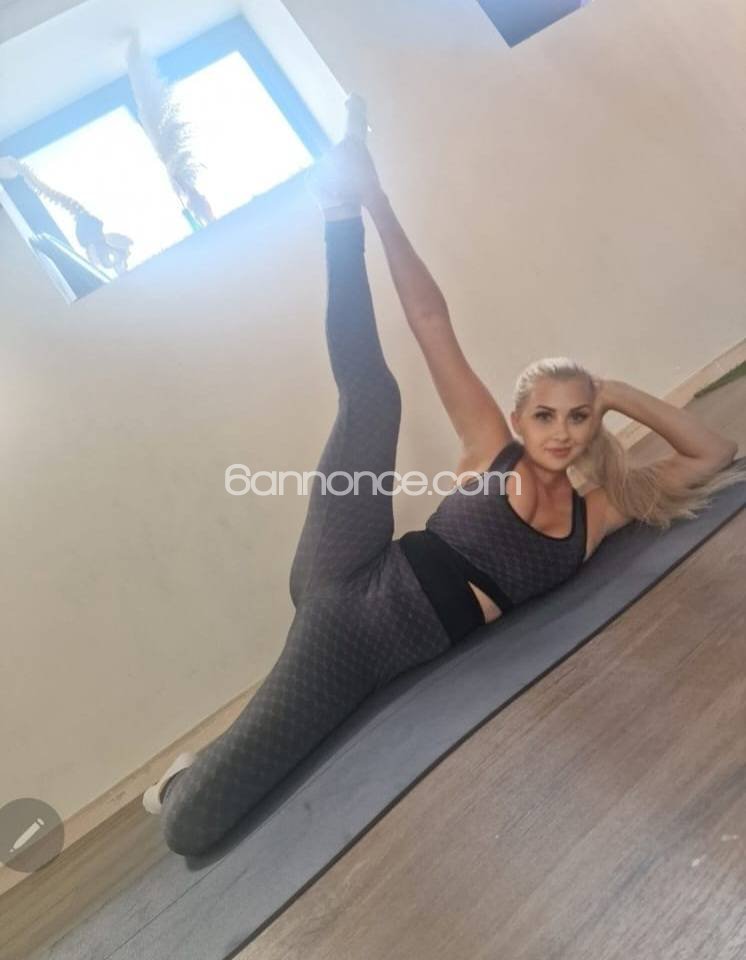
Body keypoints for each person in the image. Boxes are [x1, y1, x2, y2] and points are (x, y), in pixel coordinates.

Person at [142, 97, 744, 857]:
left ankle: (200, 763)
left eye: (579, 415)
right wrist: (376, 202)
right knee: (375, 396)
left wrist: (620, 391)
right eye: (546, 415)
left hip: (367, 651)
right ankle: (337, 209)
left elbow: (712, 454)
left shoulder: (594, 518)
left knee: (195, 819)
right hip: (346, 595)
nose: (561, 432)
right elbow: (430, 322)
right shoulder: (491, 450)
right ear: (522, 419)